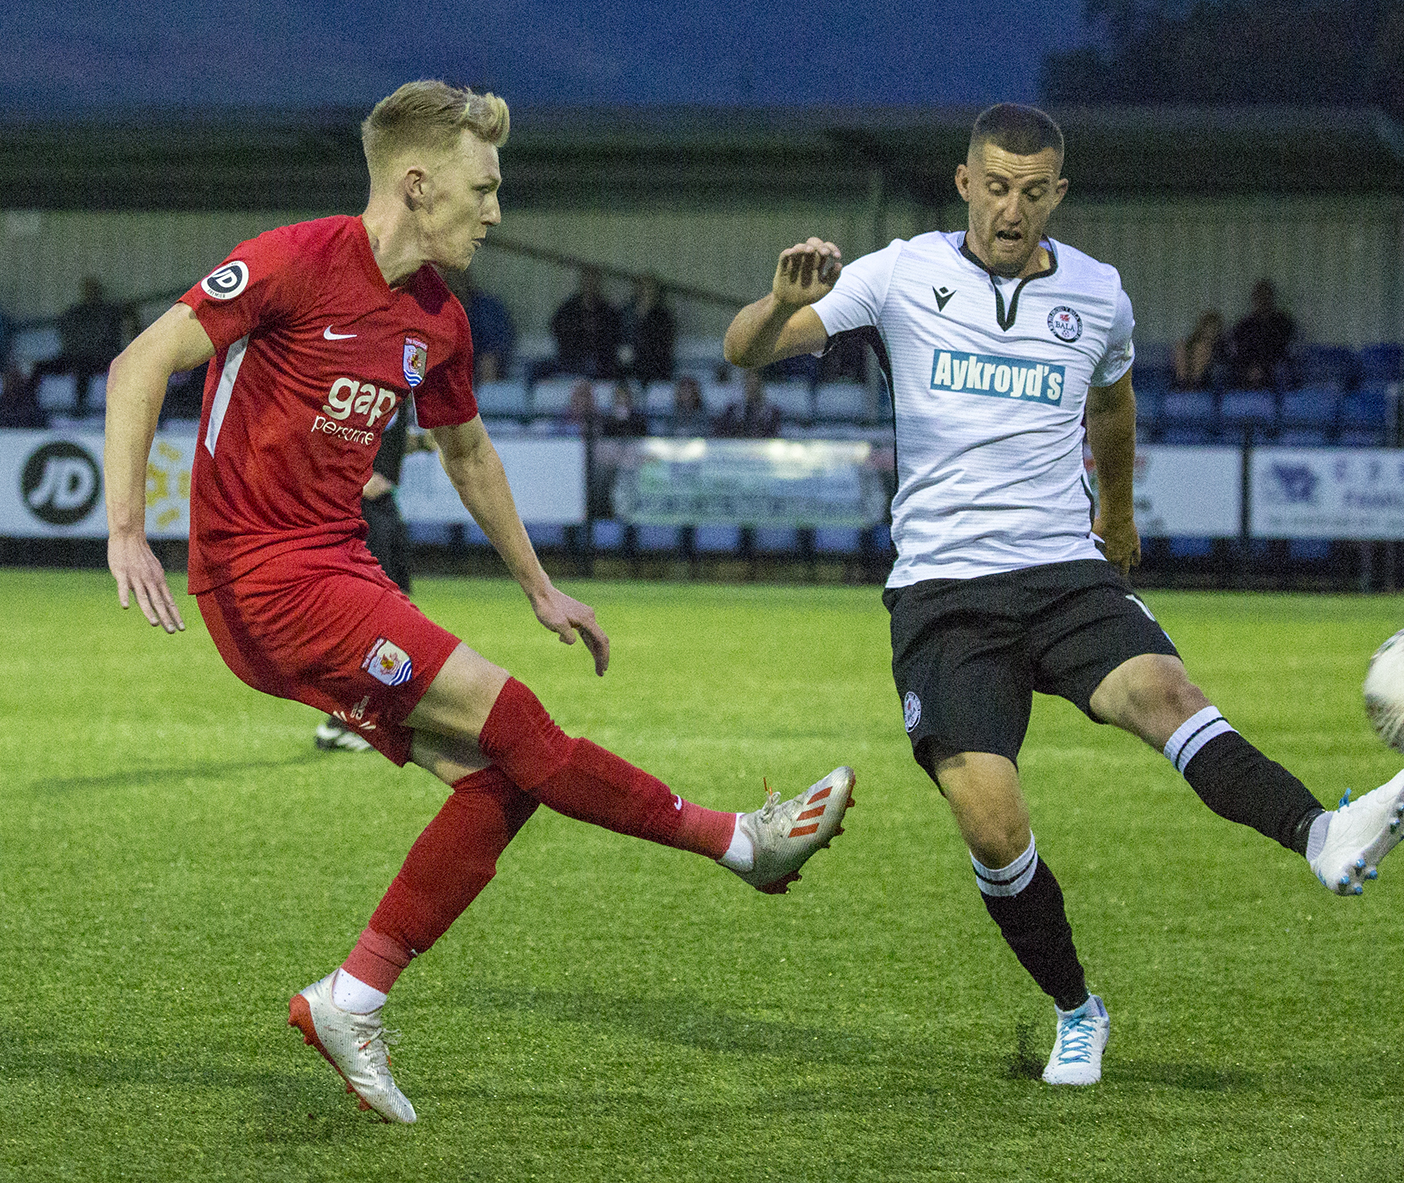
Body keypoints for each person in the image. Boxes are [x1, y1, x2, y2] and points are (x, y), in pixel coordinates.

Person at [102, 79, 853, 1125]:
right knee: (520, 722)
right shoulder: (291, 260)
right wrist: (127, 524)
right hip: (266, 575)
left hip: (337, 568)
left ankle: (349, 996)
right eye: (483, 187)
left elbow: (465, 449)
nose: (497, 210)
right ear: (418, 184)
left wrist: (539, 586)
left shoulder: (437, 322)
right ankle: (742, 843)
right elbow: (139, 362)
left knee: (504, 779)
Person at [723, 101, 1404, 1089]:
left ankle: (1323, 831)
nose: (1010, 209)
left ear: (1056, 193)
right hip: (944, 592)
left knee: (1169, 697)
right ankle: (1076, 1010)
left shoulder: (1099, 293)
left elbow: (1113, 401)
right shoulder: (902, 271)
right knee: (992, 821)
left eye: (1032, 190)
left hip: (1063, 570)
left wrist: (1124, 515)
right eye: (995, 186)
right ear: (965, 182)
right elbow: (746, 350)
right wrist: (772, 301)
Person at [315, 399, 421, 752]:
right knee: (375, 621)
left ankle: (365, 714)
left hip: (384, 504)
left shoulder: (401, 384)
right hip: (362, 509)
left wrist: (420, 443)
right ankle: (346, 719)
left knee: (399, 612)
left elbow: (385, 438)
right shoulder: (370, 379)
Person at [35, 277, 132, 413]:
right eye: (87, 291)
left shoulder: (107, 313)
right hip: (74, 355)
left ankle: (80, 408)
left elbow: (109, 339)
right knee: (40, 367)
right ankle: (30, 405)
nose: (90, 294)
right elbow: (66, 332)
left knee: (83, 368)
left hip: (100, 357)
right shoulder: (77, 312)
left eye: (93, 291)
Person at [548, 267, 620, 379]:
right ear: (581, 283)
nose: (590, 285)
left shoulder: (607, 310)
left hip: (600, 364)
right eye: (587, 281)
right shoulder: (568, 309)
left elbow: (613, 339)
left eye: (594, 281)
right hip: (572, 360)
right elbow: (556, 330)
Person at [1227, 279, 1294, 390]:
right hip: (1247, 370)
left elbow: (1287, 350)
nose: (1263, 300)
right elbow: (1236, 352)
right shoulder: (1243, 325)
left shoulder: (1283, 322)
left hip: (1273, 369)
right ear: (1254, 299)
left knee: (1282, 371)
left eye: (1266, 296)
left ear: (1272, 298)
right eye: (1259, 296)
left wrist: (1264, 368)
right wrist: (1249, 368)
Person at [620, 274, 676, 382]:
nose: (645, 292)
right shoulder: (627, 312)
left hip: (655, 369)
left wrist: (637, 352)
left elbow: (663, 346)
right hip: (629, 369)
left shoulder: (663, 316)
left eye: (648, 288)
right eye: (641, 287)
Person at [711, 370, 782, 437]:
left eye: (755, 384)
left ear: (760, 386)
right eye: (749, 383)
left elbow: (774, 434)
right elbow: (723, 431)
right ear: (745, 385)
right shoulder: (733, 410)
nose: (752, 387)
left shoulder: (771, 412)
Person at [1171, 309, 1226, 390]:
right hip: (1185, 376)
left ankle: (1195, 383)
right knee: (1181, 345)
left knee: (1202, 347)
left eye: (1213, 328)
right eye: (1208, 327)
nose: (1210, 331)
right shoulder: (1192, 342)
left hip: (1205, 377)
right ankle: (1182, 383)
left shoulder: (1221, 345)